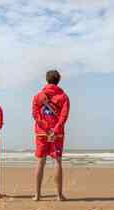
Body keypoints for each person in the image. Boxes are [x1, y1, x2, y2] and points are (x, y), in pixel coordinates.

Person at [32, 70, 70, 201]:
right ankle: (59, 195)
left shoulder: (38, 96)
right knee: (57, 162)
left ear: (47, 80)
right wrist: (55, 129)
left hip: (42, 133)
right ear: (58, 80)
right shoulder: (63, 97)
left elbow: (36, 115)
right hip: (57, 134)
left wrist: (47, 128)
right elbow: (64, 116)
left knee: (40, 162)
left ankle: (37, 194)